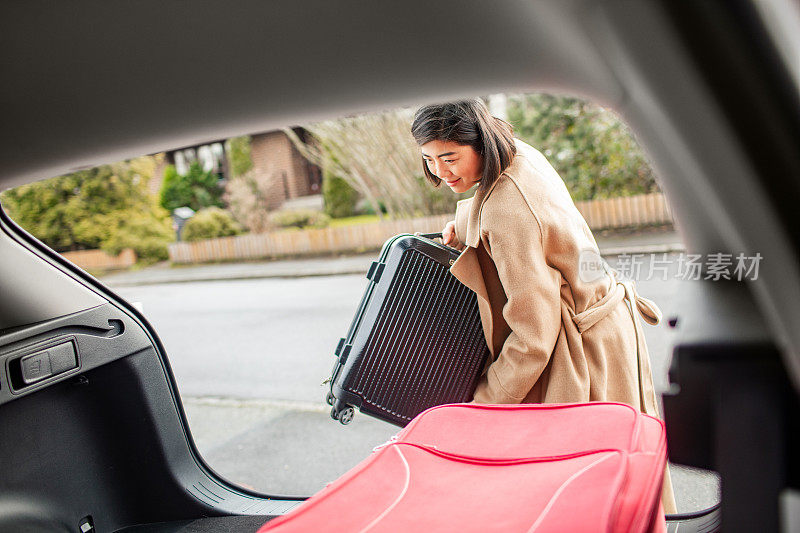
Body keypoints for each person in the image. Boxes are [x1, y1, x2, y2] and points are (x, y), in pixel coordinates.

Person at [411, 99, 676, 514]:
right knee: (626, 487)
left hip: (583, 352)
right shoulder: (518, 153)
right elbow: (529, 216)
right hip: (607, 328)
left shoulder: (506, 209)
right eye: (429, 159)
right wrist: (464, 224)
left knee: (579, 501)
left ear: (479, 143)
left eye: (450, 157)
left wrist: (483, 404)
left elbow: (534, 337)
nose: (440, 173)